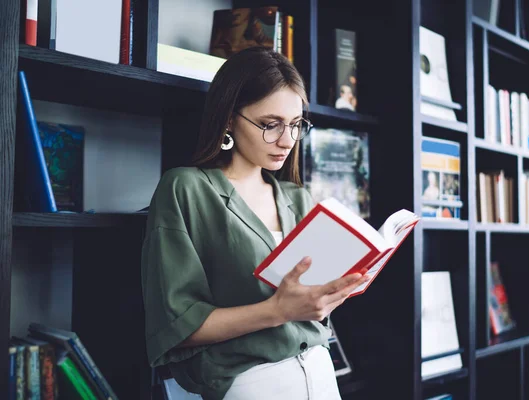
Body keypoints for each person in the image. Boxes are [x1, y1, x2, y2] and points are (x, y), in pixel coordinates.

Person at [140, 46, 370, 400]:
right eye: (270, 125)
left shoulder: (297, 198)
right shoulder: (187, 188)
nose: (287, 141)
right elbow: (176, 324)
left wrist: (336, 290)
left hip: (321, 373)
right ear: (229, 118)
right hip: (252, 382)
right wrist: (276, 311)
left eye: (295, 125)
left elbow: (309, 306)